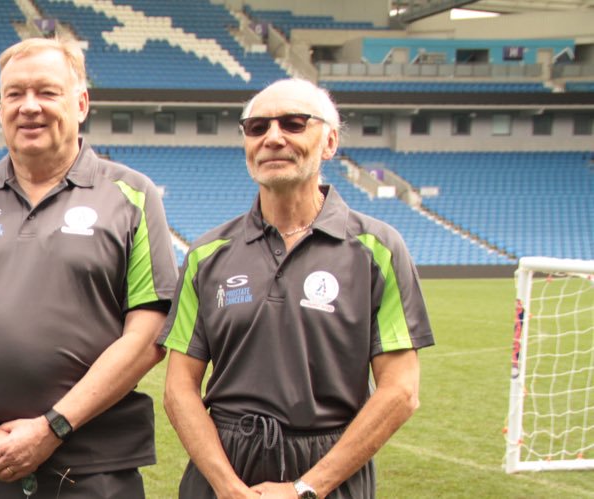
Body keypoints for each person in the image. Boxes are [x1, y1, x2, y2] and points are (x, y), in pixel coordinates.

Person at [0, 38, 178, 498]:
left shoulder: (131, 195)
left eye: (47, 92)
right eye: (14, 94)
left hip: (94, 466)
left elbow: (147, 336)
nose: (28, 107)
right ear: (0, 107)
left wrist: (53, 427)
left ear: (81, 103)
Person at [158, 79, 433, 499]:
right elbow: (179, 389)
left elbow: (400, 391)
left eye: (293, 123)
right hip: (224, 466)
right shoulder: (206, 254)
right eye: (257, 127)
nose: (272, 138)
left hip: (329, 469)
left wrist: (308, 487)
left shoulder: (378, 249)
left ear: (330, 142)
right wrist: (226, 486)